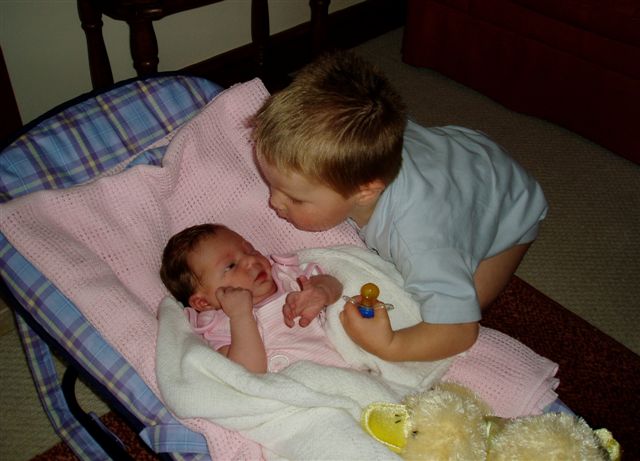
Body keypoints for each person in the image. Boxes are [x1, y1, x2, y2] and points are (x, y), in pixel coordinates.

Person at [252, 50, 548, 362]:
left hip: (509, 204)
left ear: (365, 192)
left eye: (295, 198)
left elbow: (460, 329)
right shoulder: (369, 146)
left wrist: (389, 345)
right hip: (463, 152)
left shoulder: (420, 239)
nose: (274, 201)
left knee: (451, 307)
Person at [159, 223, 350, 374]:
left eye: (250, 250)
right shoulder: (221, 325)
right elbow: (247, 373)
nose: (251, 260)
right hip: (302, 391)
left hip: (348, 369)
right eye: (231, 266)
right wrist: (241, 316)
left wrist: (321, 291)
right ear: (204, 302)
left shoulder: (287, 277)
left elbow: (335, 284)